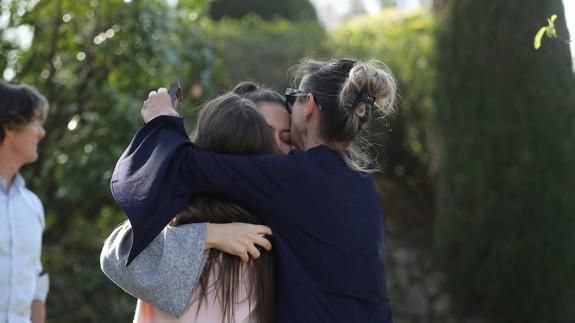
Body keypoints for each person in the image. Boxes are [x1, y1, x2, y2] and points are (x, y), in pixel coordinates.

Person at [110, 58, 397, 322]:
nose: (270, 151)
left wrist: (162, 117)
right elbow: (121, 255)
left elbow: (184, 166)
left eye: (292, 100)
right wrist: (209, 234)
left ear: (308, 105)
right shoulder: (363, 188)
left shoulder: (292, 182)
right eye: (262, 133)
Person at [101, 82, 291, 321]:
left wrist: (164, 127)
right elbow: (119, 256)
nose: (277, 146)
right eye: (267, 132)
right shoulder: (264, 238)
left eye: (286, 137)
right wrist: (209, 235)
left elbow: (120, 256)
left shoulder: (172, 227)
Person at [0, 82, 50, 323]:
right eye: (36, 122)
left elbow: (37, 284)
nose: (41, 132)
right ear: (10, 127)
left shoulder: (32, 206)